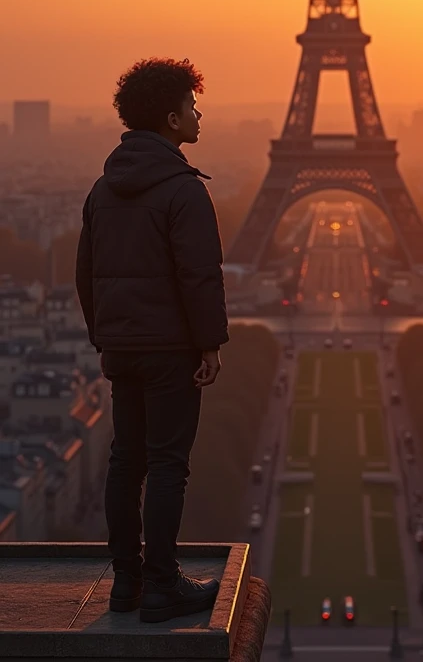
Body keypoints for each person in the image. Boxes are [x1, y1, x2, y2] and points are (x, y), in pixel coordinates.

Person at [76, 57, 229, 623]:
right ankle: (163, 586)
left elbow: (85, 273)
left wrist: (105, 336)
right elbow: (200, 275)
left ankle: (127, 582)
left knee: (125, 460)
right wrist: (209, 343)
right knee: (168, 465)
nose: (198, 115)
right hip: (170, 350)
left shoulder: (102, 188)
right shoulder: (182, 190)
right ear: (170, 117)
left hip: (122, 347)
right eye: (192, 106)